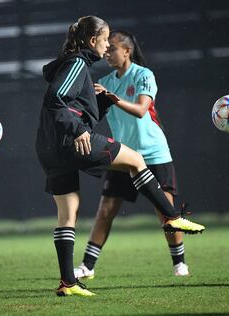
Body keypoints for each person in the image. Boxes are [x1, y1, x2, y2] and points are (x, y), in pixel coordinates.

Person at [35, 17, 205, 297]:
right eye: (104, 41)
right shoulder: (77, 63)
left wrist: (97, 101)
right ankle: (172, 217)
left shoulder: (74, 66)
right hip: (71, 141)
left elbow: (68, 105)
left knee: (67, 214)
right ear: (93, 41)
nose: (106, 47)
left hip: (48, 148)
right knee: (137, 160)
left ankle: (68, 283)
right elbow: (57, 100)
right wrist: (77, 129)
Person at [74, 30, 195, 281]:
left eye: (113, 48)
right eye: (106, 49)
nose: (107, 53)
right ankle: (87, 266)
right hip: (124, 156)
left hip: (154, 154)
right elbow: (92, 114)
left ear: (127, 51)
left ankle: (179, 263)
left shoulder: (143, 75)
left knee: (166, 213)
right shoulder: (106, 81)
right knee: (106, 210)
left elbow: (141, 110)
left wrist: (113, 99)